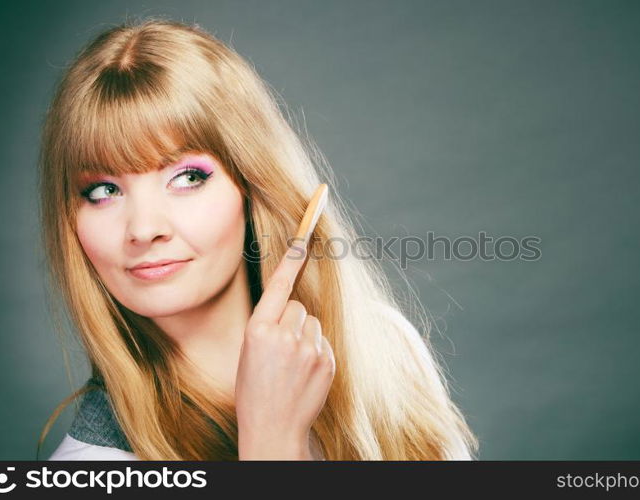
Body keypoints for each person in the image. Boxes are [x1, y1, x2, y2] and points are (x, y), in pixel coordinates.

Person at [36, 17, 477, 461]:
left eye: (186, 177)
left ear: (251, 185)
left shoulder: (386, 351)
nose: (144, 229)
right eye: (103, 190)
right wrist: (271, 441)